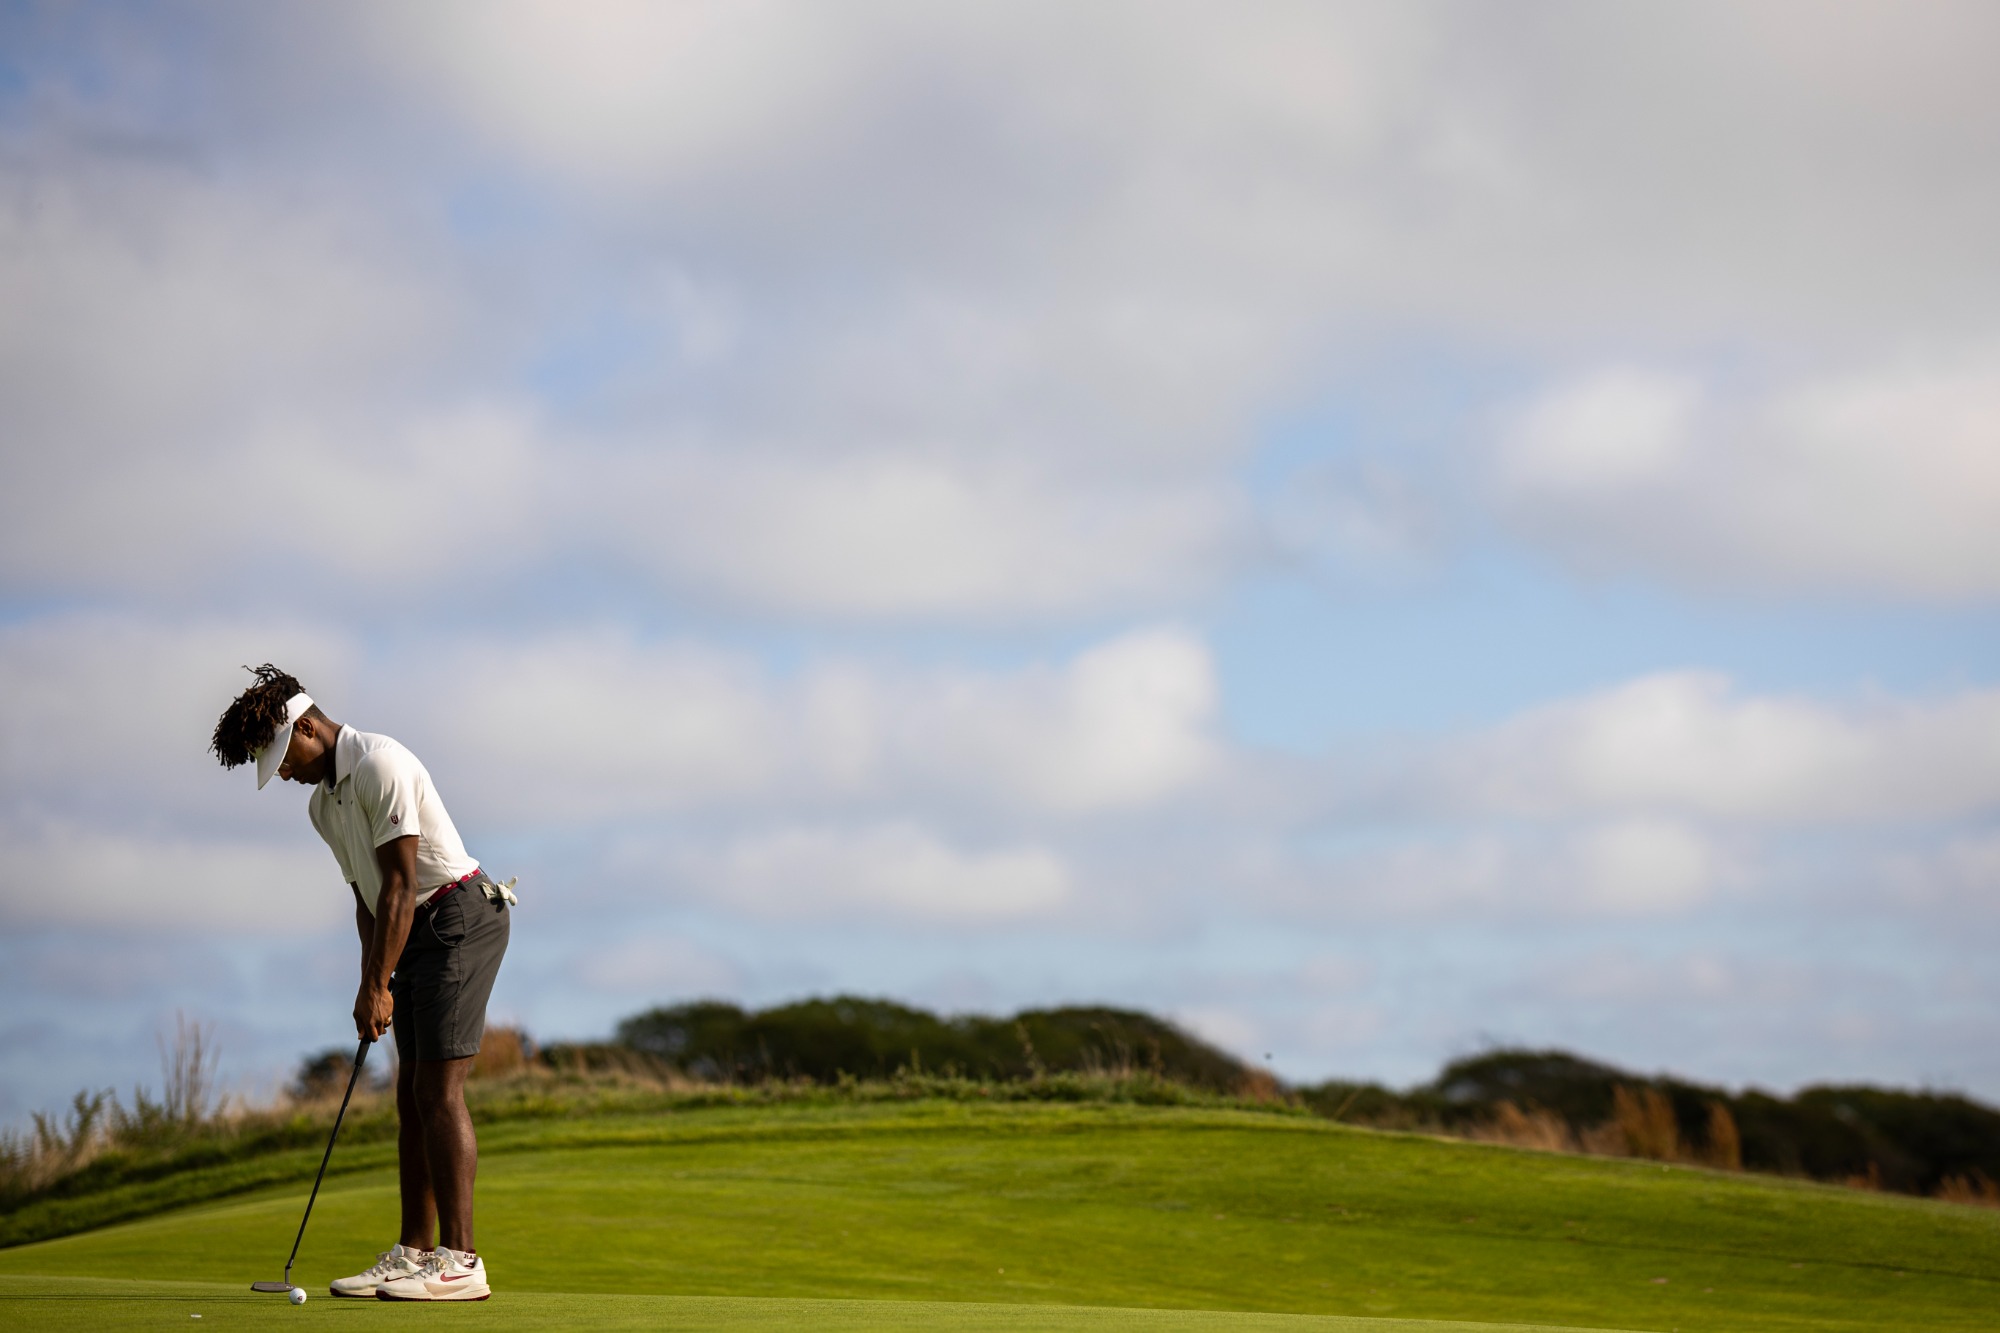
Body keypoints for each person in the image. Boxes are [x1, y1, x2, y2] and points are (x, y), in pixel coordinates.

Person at [211, 664, 513, 1303]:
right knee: (410, 1097)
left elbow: (403, 884)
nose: (285, 774)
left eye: (284, 758)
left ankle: (462, 1262)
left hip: (460, 917)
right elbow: (369, 901)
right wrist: (371, 983)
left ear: (310, 727)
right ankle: (414, 1254)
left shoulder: (381, 764)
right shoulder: (324, 807)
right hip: (410, 931)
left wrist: (379, 985)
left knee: (437, 1091)